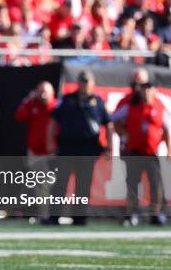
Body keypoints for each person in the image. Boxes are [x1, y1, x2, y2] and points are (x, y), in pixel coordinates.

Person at [46, 70, 113, 226]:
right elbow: (53, 121)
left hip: (87, 149)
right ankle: (54, 216)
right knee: (60, 183)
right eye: (82, 81)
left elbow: (108, 124)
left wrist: (109, 146)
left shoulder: (98, 102)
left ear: (93, 83)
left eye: (87, 81)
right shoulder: (67, 100)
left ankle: (79, 217)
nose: (84, 84)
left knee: (83, 185)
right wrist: (50, 143)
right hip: (67, 147)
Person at [113, 71, 170, 226]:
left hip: (152, 152)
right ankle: (131, 213)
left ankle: (155, 214)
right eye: (139, 86)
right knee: (132, 183)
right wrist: (125, 136)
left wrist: (167, 149)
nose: (142, 90)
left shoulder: (158, 105)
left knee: (155, 184)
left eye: (146, 87)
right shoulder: (130, 104)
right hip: (134, 151)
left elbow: (167, 128)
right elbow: (114, 119)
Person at [14, 81, 57, 220]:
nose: (42, 94)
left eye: (45, 91)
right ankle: (45, 215)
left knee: (53, 184)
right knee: (40, 186)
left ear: (52, 93)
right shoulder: (33, 104)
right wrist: (28, 100)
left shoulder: (57, 106)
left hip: (52, 152)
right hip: (35, 152)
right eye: (40, 91)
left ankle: (55, 214)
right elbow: (19, 115)